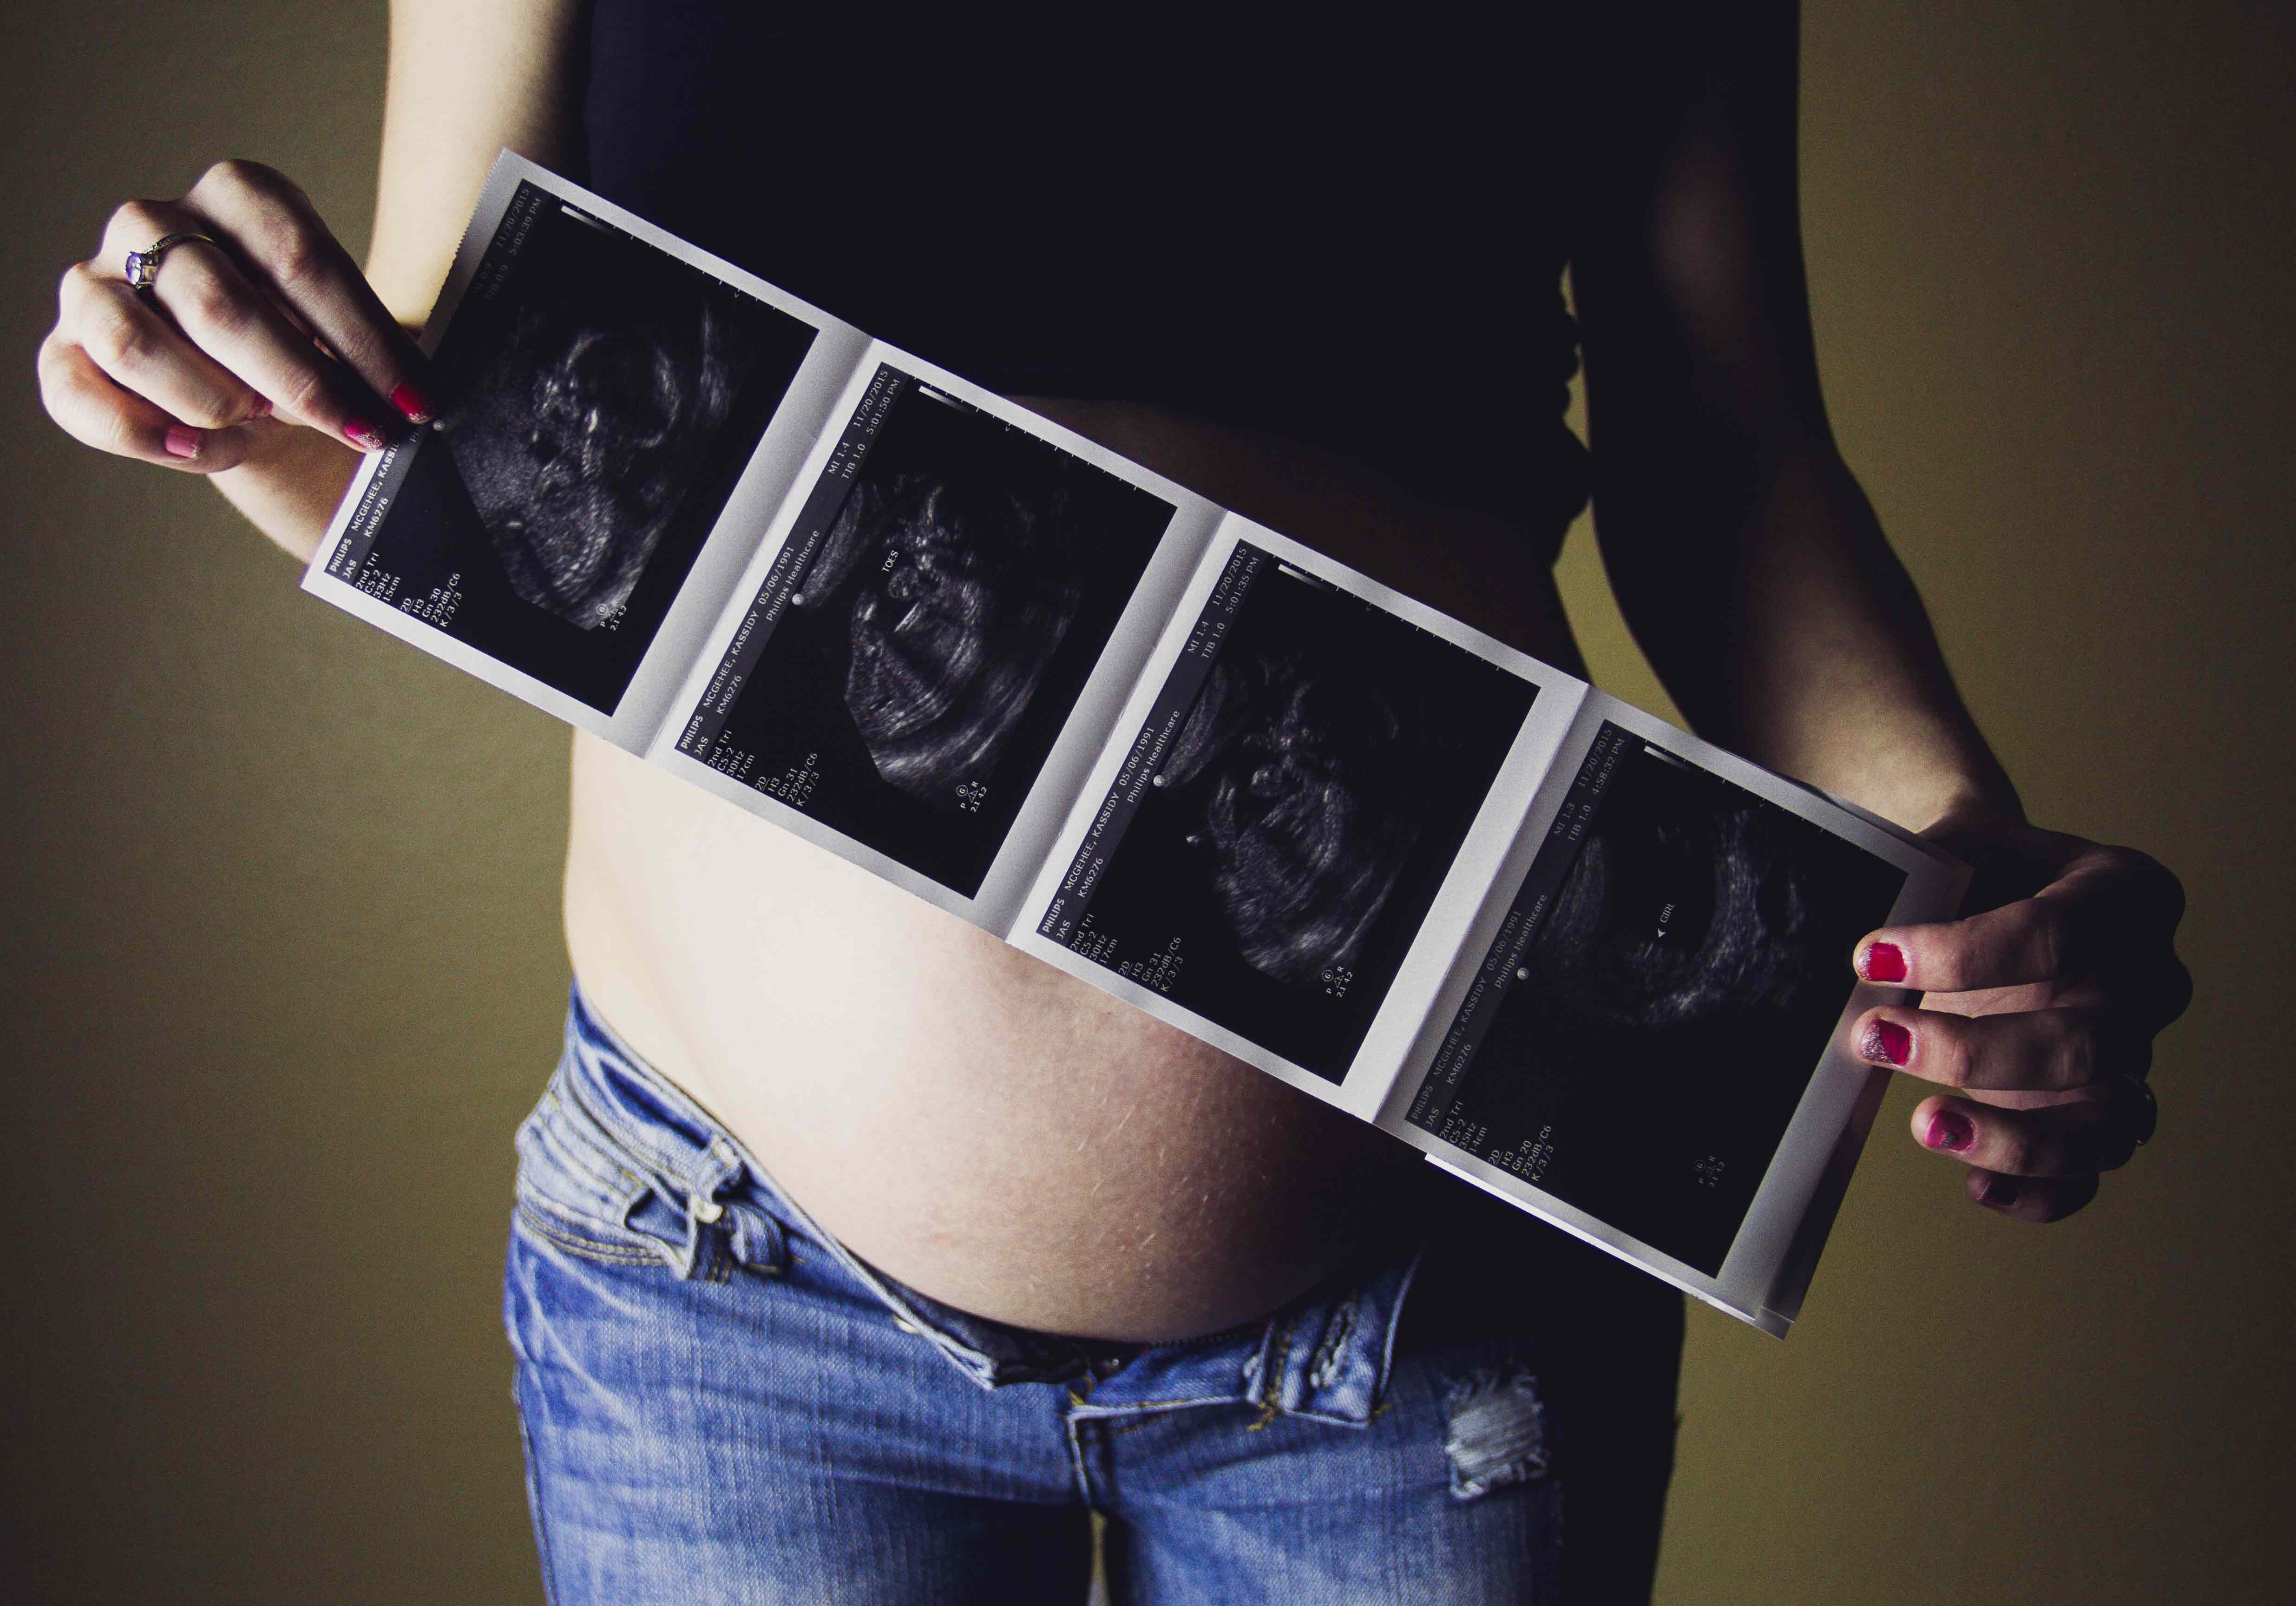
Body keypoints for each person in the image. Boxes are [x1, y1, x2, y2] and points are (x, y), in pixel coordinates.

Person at [35, 4, 2189, 1601]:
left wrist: (1953, 843)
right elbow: (419, 417)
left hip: (1420, 1319)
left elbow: (1725, 447)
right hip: (726, 1295)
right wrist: (210, 372)